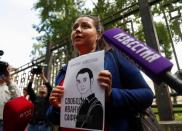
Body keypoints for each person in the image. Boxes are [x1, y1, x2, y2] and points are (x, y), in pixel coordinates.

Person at [47, 15, 154, 131]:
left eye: (85, 26)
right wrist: (55, 106)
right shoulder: (64, 70)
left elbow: (147, 95)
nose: (77, 30)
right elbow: (51, 118)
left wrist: (111, 96)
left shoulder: (114, 58)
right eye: (75, 27)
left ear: (98, 35)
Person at [0, 61, 21, 131]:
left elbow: (19, 101)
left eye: (7, 70)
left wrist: (9, 82)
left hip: (4, 123)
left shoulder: (11, 86)